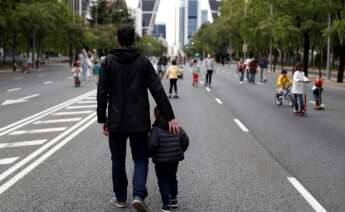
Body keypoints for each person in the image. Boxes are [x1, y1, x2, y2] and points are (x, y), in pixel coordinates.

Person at [97, 24, 180, 212]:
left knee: (117, 159)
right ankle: (138, 195)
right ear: (133, 40)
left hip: (116, 121)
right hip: (139, 121)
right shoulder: (143, 61)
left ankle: (120, 198)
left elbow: (102, 92)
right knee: (140, 159)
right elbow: (157, 90)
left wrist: (103, 118)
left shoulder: (108, 62)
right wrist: (170, 117)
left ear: (118, 39)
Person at [148, 106, 189, 212]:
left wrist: (150, 154)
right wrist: (179, 151)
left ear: (156, 115)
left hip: (161, 162)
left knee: (162, 180)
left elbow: (152, 145)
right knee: (172, 177)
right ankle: (174, 199)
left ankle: (166, 204)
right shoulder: (175, 126)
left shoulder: (156, 129)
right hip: (174, 160)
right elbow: (185, 140)